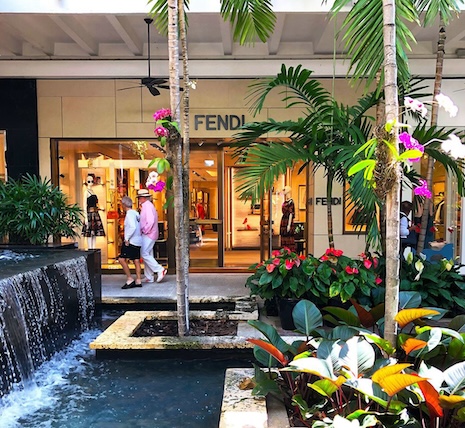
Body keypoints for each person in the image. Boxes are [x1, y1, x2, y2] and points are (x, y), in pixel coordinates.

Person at [137, 188, 167, 283]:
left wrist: (145, 230)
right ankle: (149, 276)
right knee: (148, 253)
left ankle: (159, 269)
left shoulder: (147, 206)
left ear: (143, 198)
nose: (139, 200)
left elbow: (150, 221)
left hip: (149, 234)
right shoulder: (149, 206)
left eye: (139, 198)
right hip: (151, 233)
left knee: (144, 253)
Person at [118, 196, 142, 289]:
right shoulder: (136, 213)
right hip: (138, 240)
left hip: (131, 241)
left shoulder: (129, 214)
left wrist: (127, 238)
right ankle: (138, 279)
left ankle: (129, 278)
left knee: (121, 259)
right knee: (136, 260)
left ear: (124, 205)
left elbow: (132, 227)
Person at [82, 173, 105, 249]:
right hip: (89, 213)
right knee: (89, 232)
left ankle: (93, 247)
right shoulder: (86, 192)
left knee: (94, 232)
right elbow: (84, 205)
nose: (90, 183)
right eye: (89, 181)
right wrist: (85, 217)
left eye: (92, 181)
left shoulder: (93, 191)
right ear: (86, 182)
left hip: (95, 213)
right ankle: (90, 248)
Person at [280, 185, 296, 252]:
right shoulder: (286, 201)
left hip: (288, 221)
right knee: (283, 238)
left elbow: (291, 214)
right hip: (284, 220)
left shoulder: (291, 202)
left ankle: (290, 254)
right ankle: (284, 253)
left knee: (289, 238)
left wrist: (289, 224)